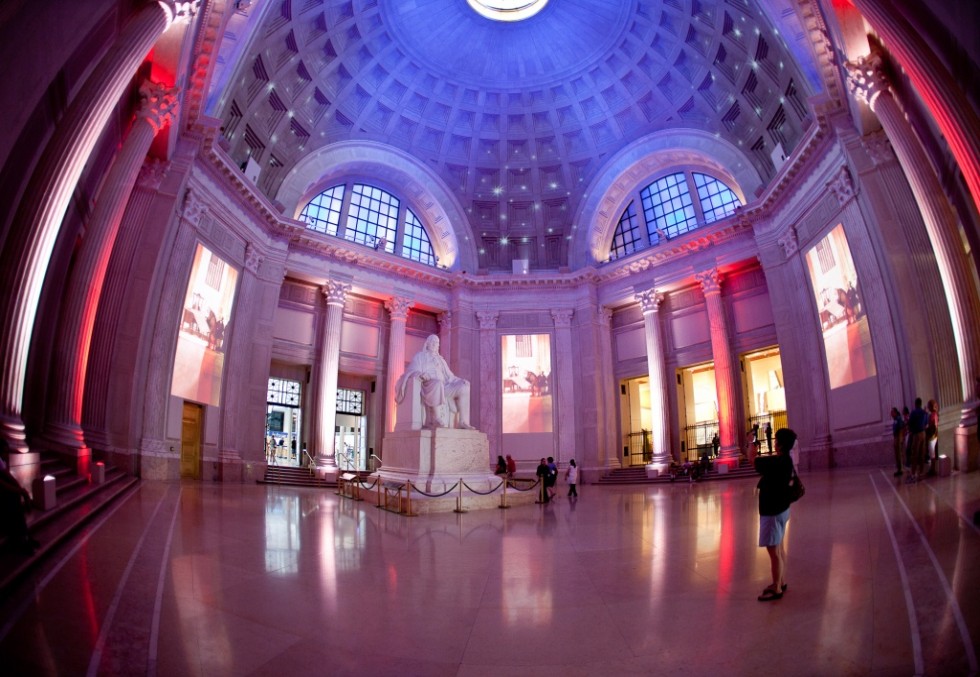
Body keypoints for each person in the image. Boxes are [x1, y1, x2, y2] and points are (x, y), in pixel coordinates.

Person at [395, 334, 474, 430]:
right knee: (437, 383)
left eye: (437, 343)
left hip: (445, 386)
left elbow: (450, 376)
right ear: (427, 344)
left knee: (464, 387)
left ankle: (463, 421)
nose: (435, 344)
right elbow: (412, 370)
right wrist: (420, 374)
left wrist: (460, 380)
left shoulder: (441, 360)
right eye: (432, 342)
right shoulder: (420, 356)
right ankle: (436, 418)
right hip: (429, 384)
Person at [754, 427, 797, 601]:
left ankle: (777, 588)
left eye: (776, 440)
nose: (774, 442)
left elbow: (753, 460)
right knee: (779, 548)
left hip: (772, 511)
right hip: (782, 509)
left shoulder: (778, 463)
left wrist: (751, 443)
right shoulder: (786, 460)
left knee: (774, 551)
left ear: (779, 444)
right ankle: (780, 580)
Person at [0, 441, 39, 555]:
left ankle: (25, 537)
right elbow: (1, 483)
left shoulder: (2, 461)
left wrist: (22, 490)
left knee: (15, 501)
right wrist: (20, 491)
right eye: (5, 451)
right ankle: (23, 539)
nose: (7, 454)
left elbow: (8, 476)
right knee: (13, 505)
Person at [907, 397, 928, 483]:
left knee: (914, 454)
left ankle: (913, 474)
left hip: (916, 435)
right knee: (922, 454)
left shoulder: (913, 413)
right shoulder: (924, 412)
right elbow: (926, 423)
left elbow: (910, 423)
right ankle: (921, 473)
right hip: (923, 433)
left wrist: (911, 431)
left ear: (915, 404)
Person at [890, 407, 906, 477]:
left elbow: (901, 428)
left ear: (895, 412)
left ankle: (901, 469)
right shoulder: (895, 420)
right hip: (896, 437)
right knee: (897, 454)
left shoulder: (899, 419)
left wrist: (900, 438)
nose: (891, 414)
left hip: (898, 437)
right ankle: (899, 469)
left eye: (892, 413)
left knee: (899, 453)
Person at [926, 399, 940, 474]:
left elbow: (933, 425)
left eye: (928, 406)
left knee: (932, 453)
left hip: (932, 436)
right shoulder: (935, 414)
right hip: (934, 435)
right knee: (933, 453)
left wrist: (928, 429)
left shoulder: (932, 415)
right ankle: (933, 469)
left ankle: (933, 469)